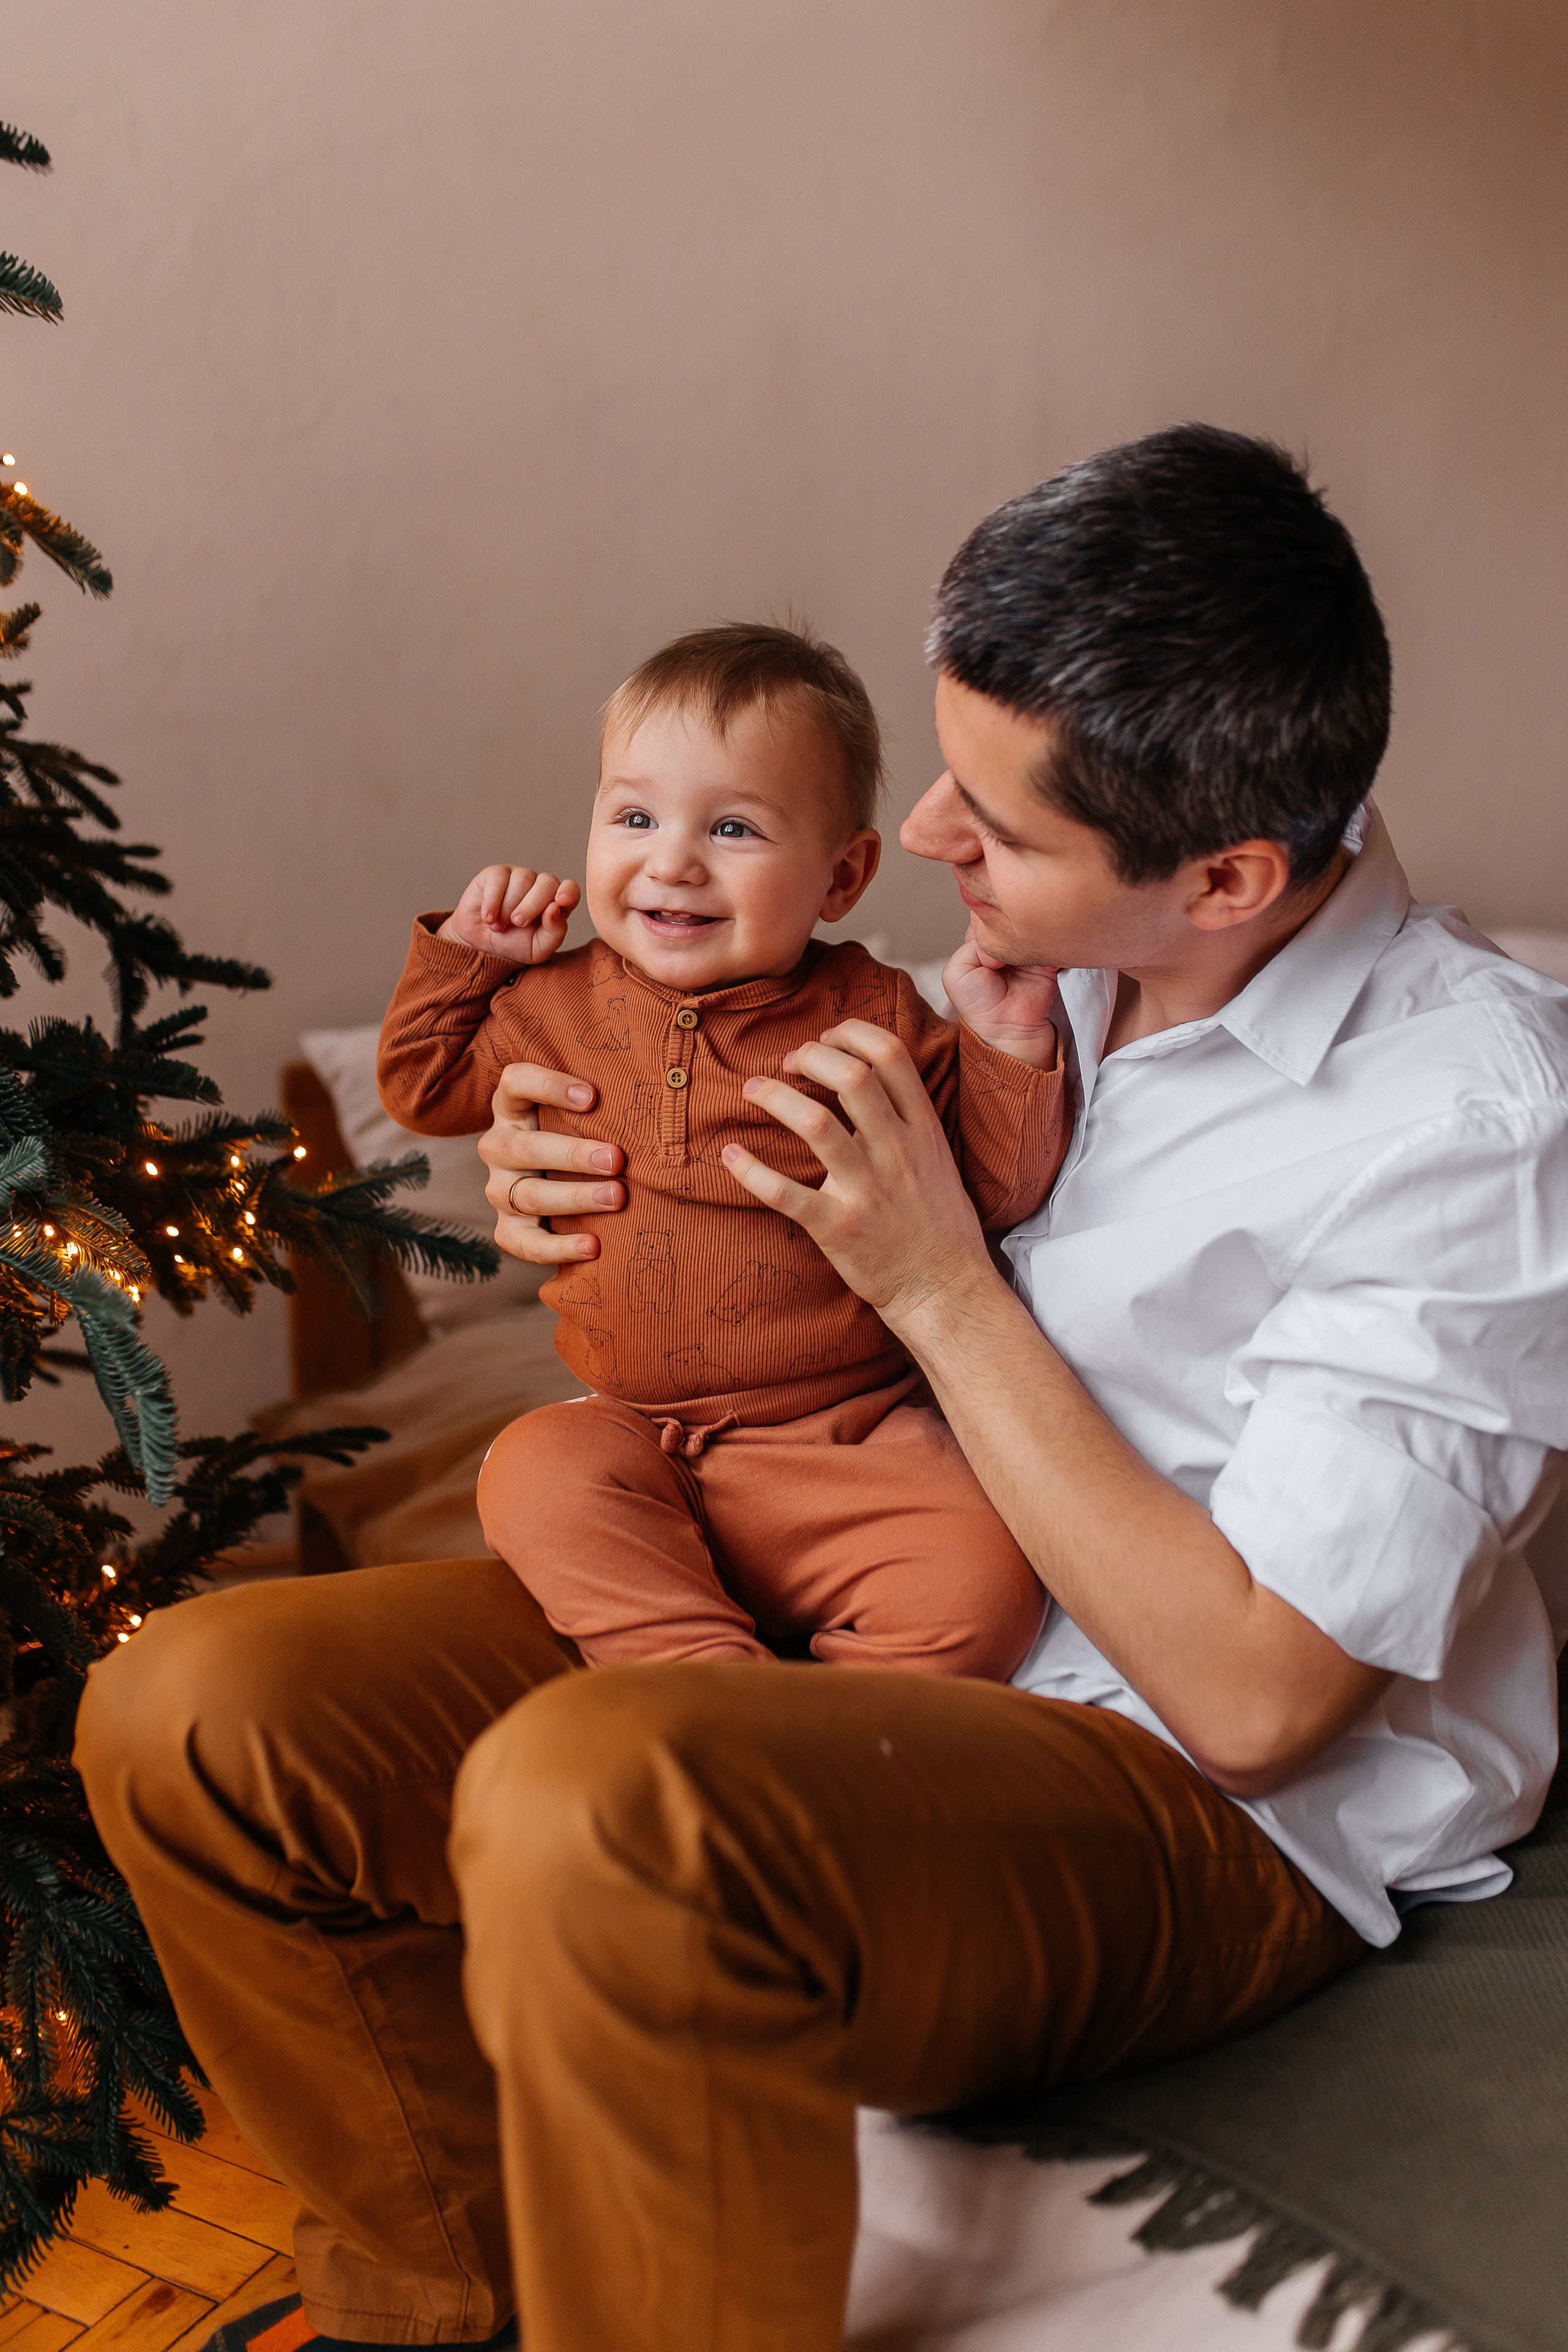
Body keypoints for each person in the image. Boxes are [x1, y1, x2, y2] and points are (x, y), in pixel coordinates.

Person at [77, 424, 1568, 2352]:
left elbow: (1266, 1696)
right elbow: (672, 1118)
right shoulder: (1019, 972)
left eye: (1003, 829)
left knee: (601, 1793)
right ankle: (454, 2303)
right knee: (196, 1707)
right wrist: (574, 1182)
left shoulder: (1475, 1113)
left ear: (1231, 874)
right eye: (953, 773)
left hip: (1184, 1785)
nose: (937, 839)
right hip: (813, 1600)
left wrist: (939, 1283)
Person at [376, 621, 1067, 1677]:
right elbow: (424, 1087)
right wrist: (469, 960)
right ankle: (701, 1682)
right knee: (531, 1468)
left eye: (735, 829)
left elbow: (996, 1188)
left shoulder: (871, 1014)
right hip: (635, 1437)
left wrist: (1008, 1050)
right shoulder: (552, 1001)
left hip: (847, 1440)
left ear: (842, 876)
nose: (673, 861)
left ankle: (825, 1731)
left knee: (979, 1583)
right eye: (635, 816)